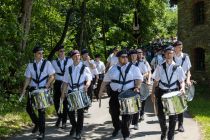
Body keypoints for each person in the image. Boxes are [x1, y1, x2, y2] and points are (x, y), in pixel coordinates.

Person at [99, 49, 143, 140]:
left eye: (127, 57)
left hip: (128, 93)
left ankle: (125, 135)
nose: (125, 58)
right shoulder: (112, 68)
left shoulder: (133, 68)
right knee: (113, 113)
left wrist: (137, 87)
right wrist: (99, 92)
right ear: (118, 58)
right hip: (115, 94)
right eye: (123, 57)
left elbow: (139, 79)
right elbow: (105, 82)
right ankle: (116, 127)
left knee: (126, 116)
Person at [151, 45, 186, 140]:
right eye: (167, 53)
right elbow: (156, 81)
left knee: (173, 117)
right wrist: (153, 93)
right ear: (164, 55)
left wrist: (182, 88)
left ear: (173, 54)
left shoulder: (178, 67)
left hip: (173, 92)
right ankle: (163, 131)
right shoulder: (159, 67)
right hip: (162, 92)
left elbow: (182, 81)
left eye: (170, 53)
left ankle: (170, 136)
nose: (169, 55)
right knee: (161, 116)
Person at [21, 46, 55, 139]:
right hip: (32, 89)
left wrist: (47, 86)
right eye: (39, 53)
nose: (41, 55)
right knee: (29, 108)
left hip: (42, 89)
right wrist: (24, 90)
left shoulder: (47, 63)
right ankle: (37, 123)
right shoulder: (30, 65)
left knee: (41, 111)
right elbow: (28, 78)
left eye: (42, 53)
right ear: (35, 54)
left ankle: (42, 132)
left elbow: (52, 76)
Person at [61, 50, 92, 139]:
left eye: (78, 55)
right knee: (70, 112)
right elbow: (65, 83)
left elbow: (89, 79)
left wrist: (87, 85)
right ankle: (74, 125)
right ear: (72, 58)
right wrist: (62, 94)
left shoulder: (85, 67)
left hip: (80, 91)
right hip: (71, 91)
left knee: (80, 113)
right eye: (75, 56)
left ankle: (78, 132)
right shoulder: (69, 68)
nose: (77, 57)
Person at [51, 45, 73, 128]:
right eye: (61, 51)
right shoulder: (54, 62)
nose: (62, 52)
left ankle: (64, 121)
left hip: (66, 83)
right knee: (56, 102)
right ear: (57, 53)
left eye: (63, 51)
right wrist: (49, 84)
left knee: (65, 102)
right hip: (57, 82)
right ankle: (60, 116)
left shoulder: (70, 60)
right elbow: (51, 74)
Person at [173, 41, 192, 132]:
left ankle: (180, 124)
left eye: (181, 47)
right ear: (174, 47)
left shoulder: (185, 57)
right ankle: (173, 120)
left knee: (181, 102)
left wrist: (188, 79)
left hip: (182, 81)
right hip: (172, 82)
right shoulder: (171, 56)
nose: (181, 48)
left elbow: (188, 70)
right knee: (173, 102)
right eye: (179, 47)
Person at [128, 49, 148, 130]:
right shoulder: (127, 64)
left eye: (135, 55)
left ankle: (135, 123)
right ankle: (129, 120)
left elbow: (146, 73)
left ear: (137, 56)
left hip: (138, 85)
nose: (133, 57)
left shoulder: (141, 63)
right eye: (132, 55)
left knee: (137, 103)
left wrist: (140, 77)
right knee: (130, 104)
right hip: (129, 86)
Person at [136, 48, 152, 121]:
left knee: (143, 98)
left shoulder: (145, 62)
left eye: (140, 53)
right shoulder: (133, 62)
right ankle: (136, 114)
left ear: (142, 54)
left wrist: (148, 80)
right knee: (136, 98)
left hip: (143, 82)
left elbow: (148, 72)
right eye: (138, 53)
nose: (139, 55)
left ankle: (142, 114)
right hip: (135, 83)